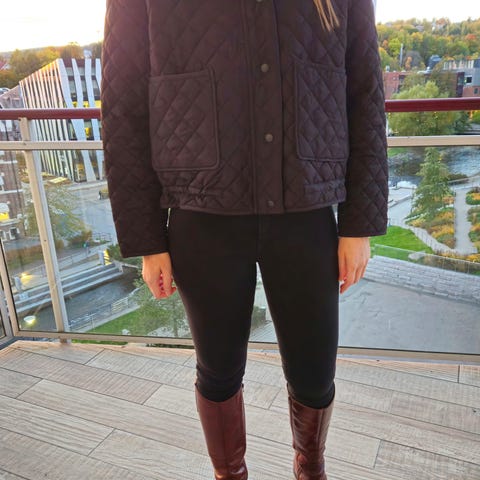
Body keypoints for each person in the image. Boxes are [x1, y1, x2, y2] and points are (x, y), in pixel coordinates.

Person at [101, 0, 388, 478]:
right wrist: (147, 239)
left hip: (306, 213)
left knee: (316, 376)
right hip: (202, 215)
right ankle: (229, 474)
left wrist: (359, 223)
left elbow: (365, 90)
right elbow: (122, 104)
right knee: (217, 373)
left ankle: (310, 468)